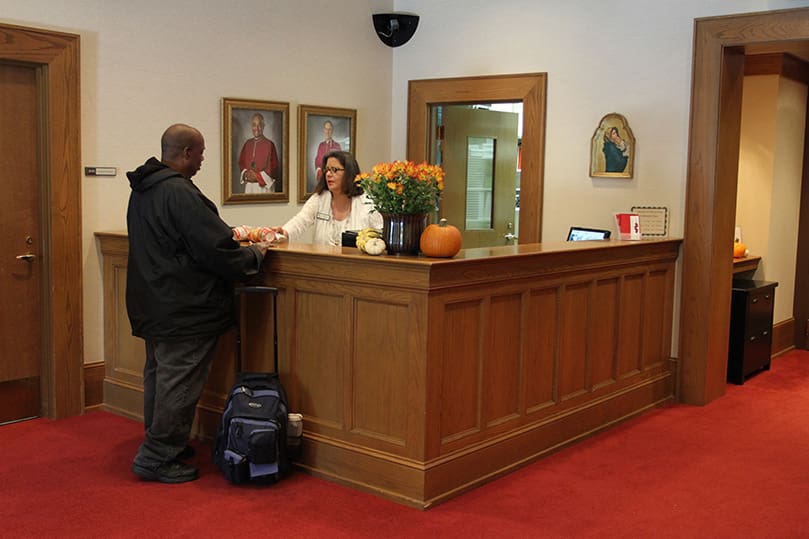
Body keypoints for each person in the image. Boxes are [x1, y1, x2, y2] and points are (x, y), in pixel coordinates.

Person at [126, 123, 270, 483]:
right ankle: (157, 456)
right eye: (202, 153)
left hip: (155, 302)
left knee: (160, 377)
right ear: (187, 152)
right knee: (179, 381)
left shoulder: (144, 189)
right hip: (184, 306)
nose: (204, 160)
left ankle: (162, 441)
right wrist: (254, 256)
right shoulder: (178, 193)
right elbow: (215, 250)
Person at [272, 150, 382, 245]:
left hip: (357, 267)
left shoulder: (367, 203)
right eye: (327, 169)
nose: (328, 174)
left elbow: (381, 235)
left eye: (334, 170)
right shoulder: (320, 198)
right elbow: (300, 221)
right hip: (322, 265)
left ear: (349, 173)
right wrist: (284, 233)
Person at [238, 113, 279, 194]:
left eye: (259, 125)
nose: (256, 128)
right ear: (251, 126)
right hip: (250, 187)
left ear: (263, 126)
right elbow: (241, 163)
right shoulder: (247, 144)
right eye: (254, 125)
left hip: (264, 188)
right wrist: (246, 173)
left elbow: (274, 167)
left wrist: (257, 176)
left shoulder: (270, 144)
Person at [312, 119, 341, 190]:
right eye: (326, 129)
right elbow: (318, 162)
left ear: (332, 131)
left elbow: (339, 164)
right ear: (324, 131)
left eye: (329, 129)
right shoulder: (321, 146)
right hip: (322, 177)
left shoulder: (337, 146)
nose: (328, 132)